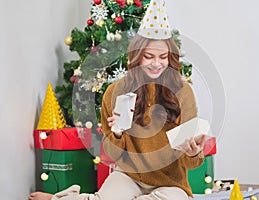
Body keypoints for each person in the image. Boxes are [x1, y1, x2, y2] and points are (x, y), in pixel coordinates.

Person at [28, 0, 206, 199]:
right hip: (128, 176)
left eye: (163, 57)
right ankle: (57, 198)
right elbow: (111, 155)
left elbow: (193, 163)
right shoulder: (116, 91)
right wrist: (118, 135)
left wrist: (192, 153)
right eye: (148, 56)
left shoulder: (183, 92)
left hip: (170, 183)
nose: (157, 64)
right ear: (137, 56)